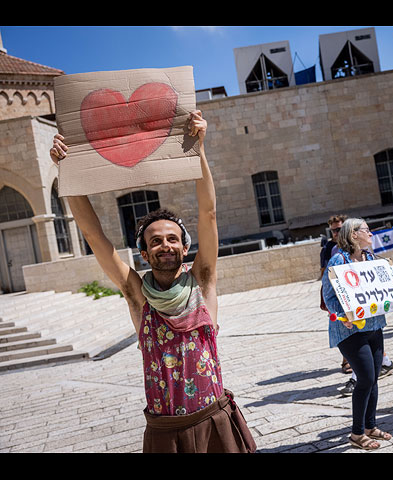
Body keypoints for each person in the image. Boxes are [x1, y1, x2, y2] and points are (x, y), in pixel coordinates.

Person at [49, 111, 256, 453]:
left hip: (214, 420)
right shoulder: (137, 295)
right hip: (166, 431)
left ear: (185, 247)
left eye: (172, 239)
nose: (165, 245)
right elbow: (93, 235)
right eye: (155, 241)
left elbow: (208, 213)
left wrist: (199, 148)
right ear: (144, 254)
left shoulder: (202, 283)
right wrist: (65, 170)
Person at [322, 218, 393, 450]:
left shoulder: (371, 259)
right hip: (350, 330)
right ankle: (356, 434)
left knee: (373, 378)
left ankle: (369, 426)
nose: (371, 233)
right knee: (364, 378)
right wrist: (343, 315)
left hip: (374, 326)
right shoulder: (338, 260)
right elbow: (328, 297)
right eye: (367, 230)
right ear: (354, 234)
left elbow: (379, 290)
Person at [319, 214, 352, 374]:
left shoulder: (354, 244)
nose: (336, 233)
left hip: (355, 290)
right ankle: (346, 360)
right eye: (333, 231)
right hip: (337, 293)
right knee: (340, 324)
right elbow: (324, 272)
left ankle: (382, 358)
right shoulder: (328, 248)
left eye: (339, 229)